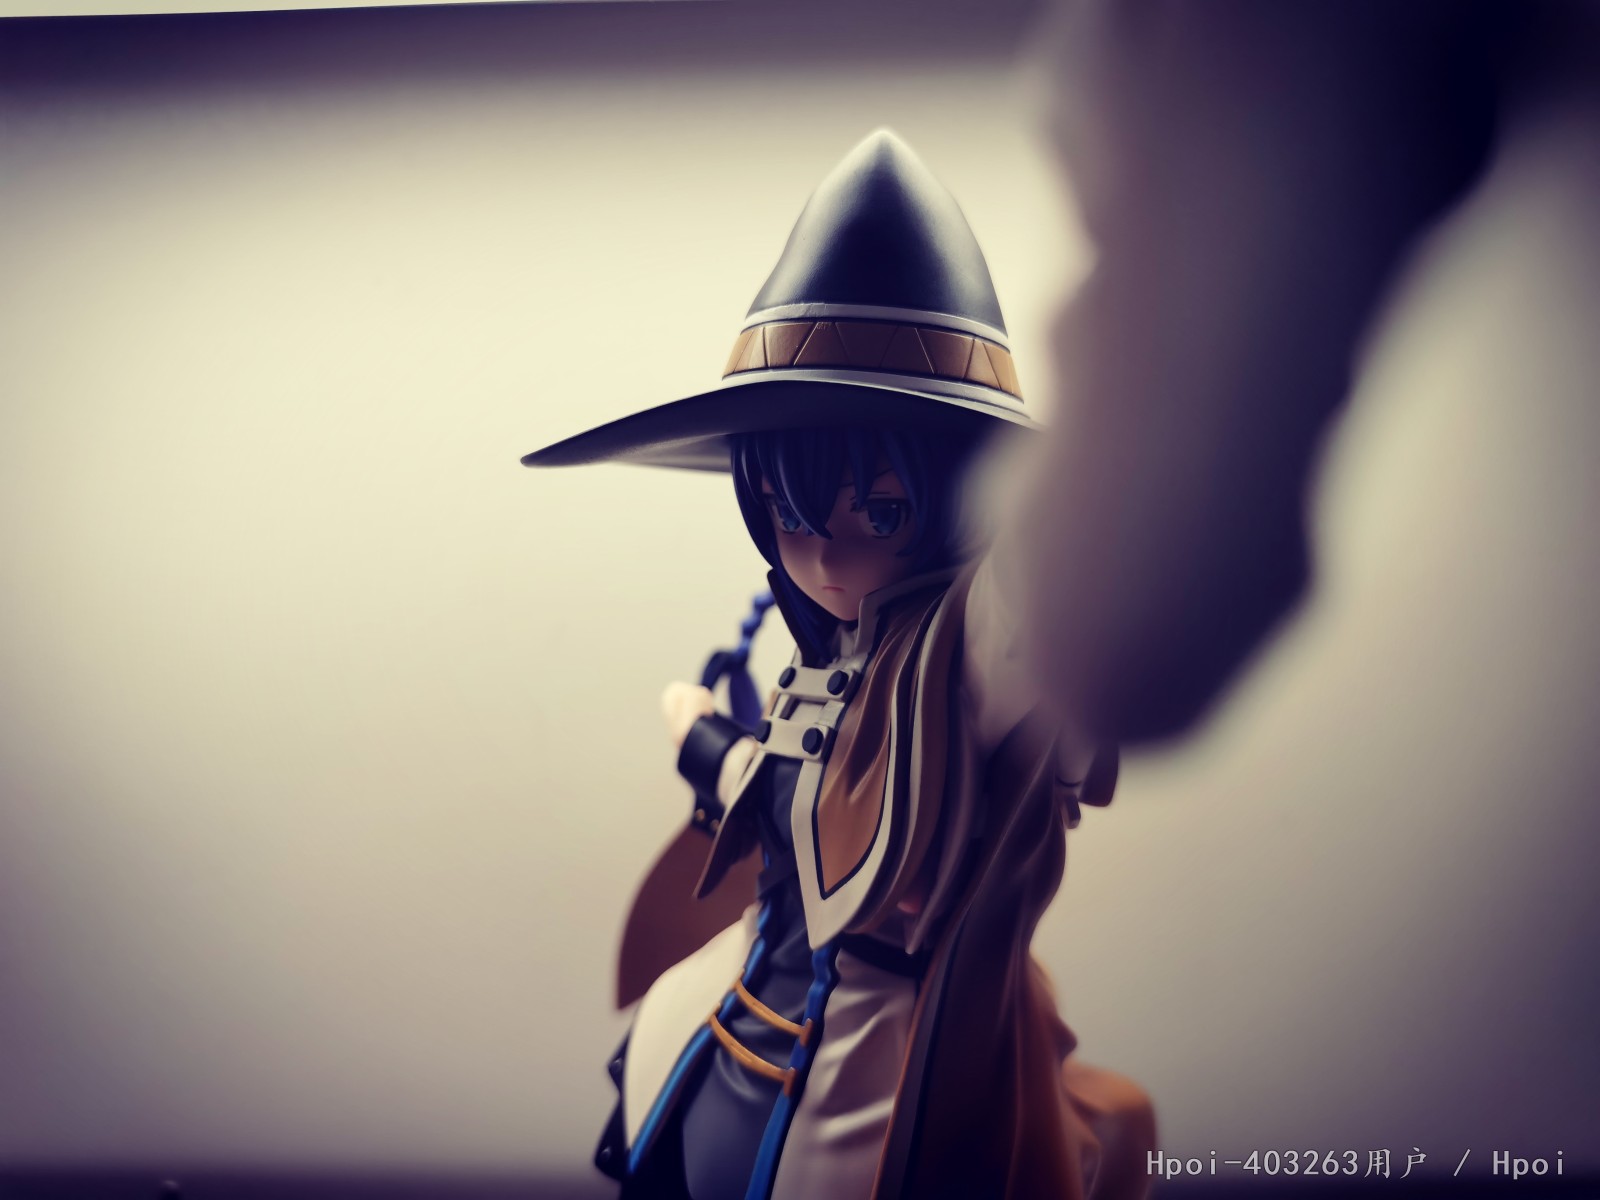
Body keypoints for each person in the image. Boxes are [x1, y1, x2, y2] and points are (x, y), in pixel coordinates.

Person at [523, 130, 1154, 1199]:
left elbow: (830, 806)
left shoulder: (975, 649)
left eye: (882, 512)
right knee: (659, 1030)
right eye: (786, 510)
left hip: (882, 1004)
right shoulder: (847, 642)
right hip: (764, 960)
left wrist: (709, 748)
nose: (821, 556)